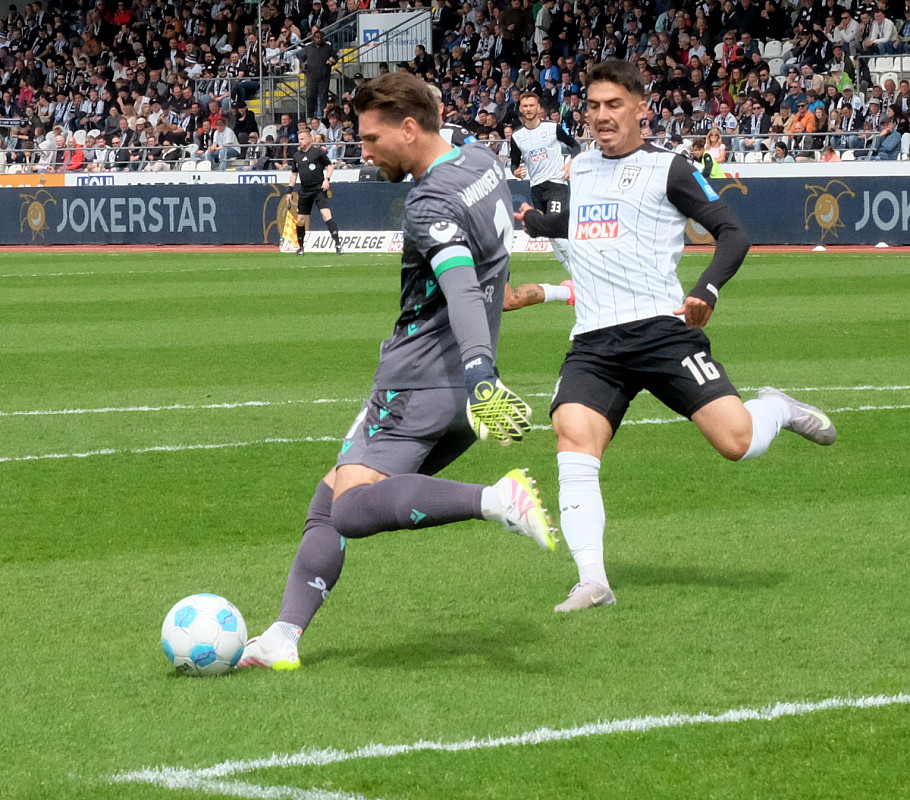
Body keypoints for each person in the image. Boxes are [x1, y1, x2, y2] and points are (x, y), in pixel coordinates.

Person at [239, 73, 556, 670]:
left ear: (410, 129)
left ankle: (497, 499)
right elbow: (487, 264)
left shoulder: (429, 202)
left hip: (419, 382)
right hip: (453, 393)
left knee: (350, 510)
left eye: (370, 138)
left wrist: (481, 374)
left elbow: (460, 285)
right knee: (328, 499)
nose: (364, 152)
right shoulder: (483, 160)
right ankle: (284, 635)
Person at [516, 60, 837, 613]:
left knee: (736, 443)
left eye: (614, 105)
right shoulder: (580, 167)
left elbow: (732, 232)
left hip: (662, 330)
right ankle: (592, 580)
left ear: (640, 107)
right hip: (594, 340)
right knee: (573, 438)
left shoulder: (671, 168)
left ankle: (777, 408)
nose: (601, 116)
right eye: (592, 106)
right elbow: (587, 224)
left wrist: (706, 288)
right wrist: (537, 223)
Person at [509, 92, 580, 278]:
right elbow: (514, 163)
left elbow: (575, 146)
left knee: (554, 229)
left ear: (538, 107)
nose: (528, 109)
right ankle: (575, 276)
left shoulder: (552, 127)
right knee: (549, 235)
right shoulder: (517, 136)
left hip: (556, 184)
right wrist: (515, 171)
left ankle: (581, 273)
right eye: (525, 106)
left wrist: (571, 162)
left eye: (532, 105)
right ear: (520, 109)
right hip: (536, 188)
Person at [286, 129, 343, 255]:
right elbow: (294, 174)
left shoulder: (318, 153)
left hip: (318, 189)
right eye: (299, 139)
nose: (300, 141)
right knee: (300, 220)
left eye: (302, 139)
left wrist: (327, 179)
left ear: (309, 139)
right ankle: (301, 248)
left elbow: (330, 166)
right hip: (305, 190)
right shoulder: (297, 156)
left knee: (326, 214)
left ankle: (338, 245)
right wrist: (289, 191)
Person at [301, 28, 337, 119]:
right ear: (313, 38)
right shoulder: (308, 48)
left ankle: (324, 117)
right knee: (310, 97)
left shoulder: (327, 48)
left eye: (320, 37)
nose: (319, 39)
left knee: (323, 98)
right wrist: (303, 66)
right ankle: (310, 116)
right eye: (317, 37)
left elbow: (335, 57)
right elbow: (302, 58)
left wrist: (332, 61)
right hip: (311, 77)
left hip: (323, 77)